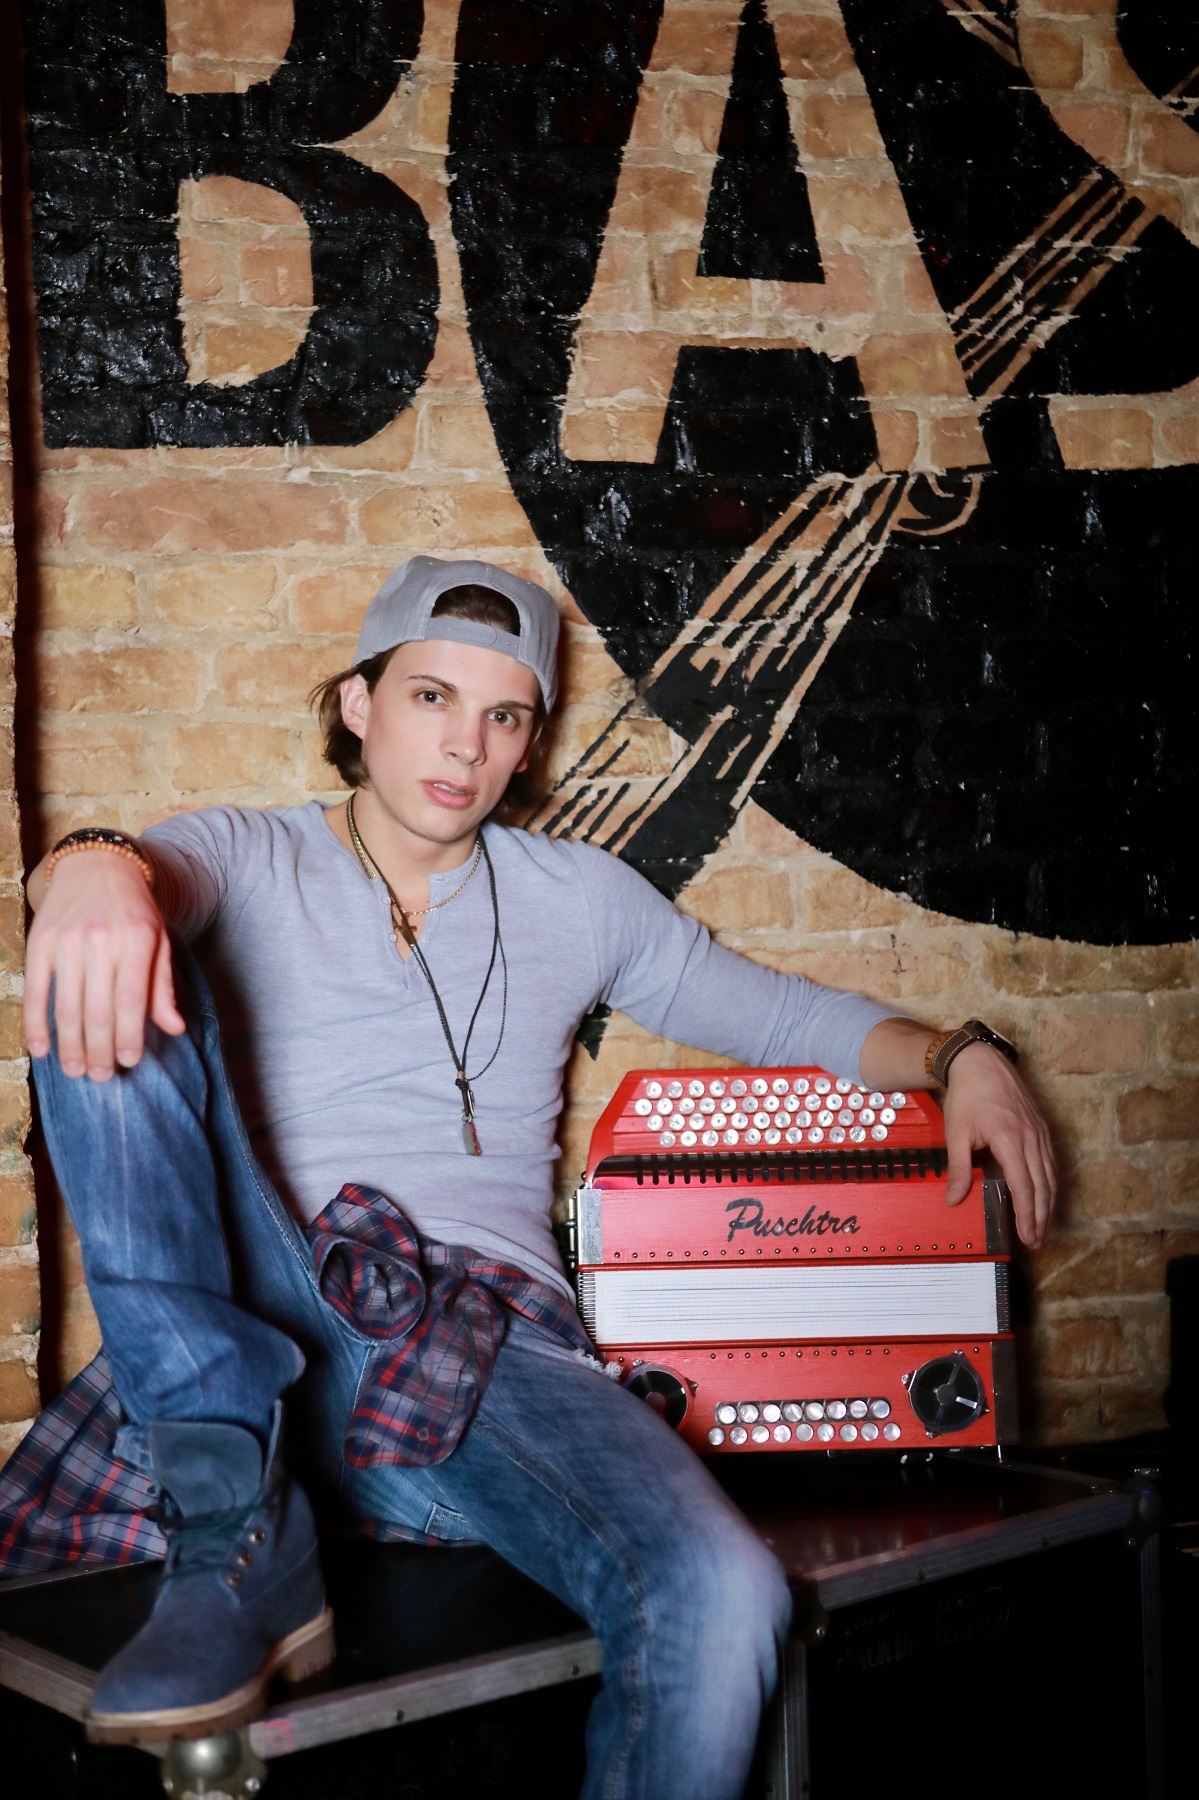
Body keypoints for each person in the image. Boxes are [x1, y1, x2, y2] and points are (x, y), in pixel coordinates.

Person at [9, 556, 1056, 1797]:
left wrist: (960, 1055)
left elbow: (784, 1015)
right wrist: (90, 865)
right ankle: (231, 1510)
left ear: (529, 742)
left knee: (724, 1591)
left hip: (485, 1355)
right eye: (431, 699)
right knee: (106, 957)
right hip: (271, 1316)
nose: (467, 745)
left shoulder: (582, 899)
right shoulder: (247, 853)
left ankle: (259, 1510)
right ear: (358, 704)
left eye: (504, 716)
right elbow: (126, 879)